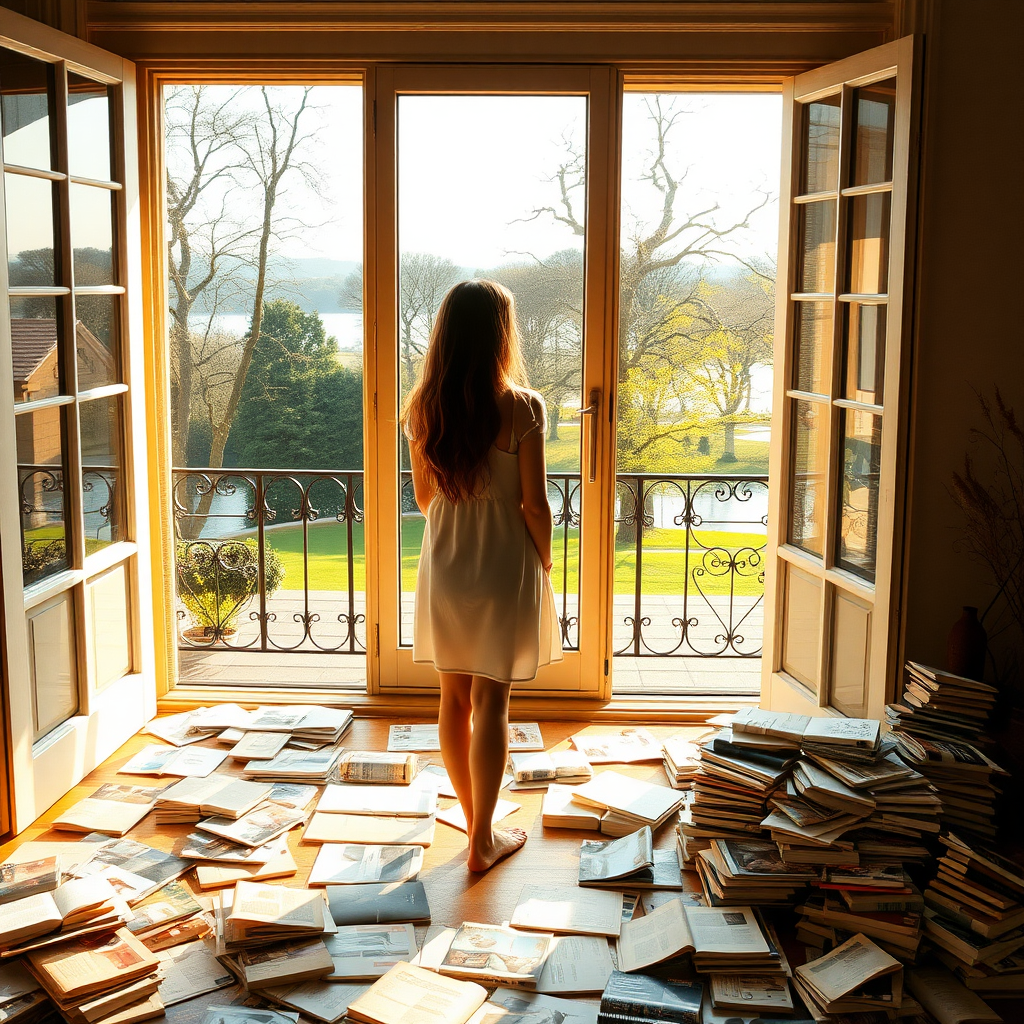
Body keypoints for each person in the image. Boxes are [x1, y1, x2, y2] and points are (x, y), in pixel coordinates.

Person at [401, 279, 562, 872]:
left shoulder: (423, 408)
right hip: (503, 562)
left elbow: (423, 498)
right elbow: (535, 505)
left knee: (453, 698)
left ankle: (477, 829)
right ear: (500, 333)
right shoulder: (522, 407)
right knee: (494, 699)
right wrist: (543, 559)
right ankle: (480, 843)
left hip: (446, 560)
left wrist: (458, 519)